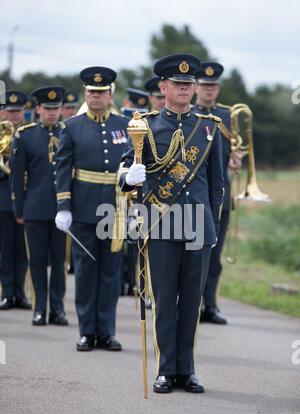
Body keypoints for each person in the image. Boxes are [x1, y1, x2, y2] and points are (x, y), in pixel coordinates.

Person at [119, 54, 224, 394]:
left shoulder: (209, 128)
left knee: (191, 302)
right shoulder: (144, 125)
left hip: (198, 228)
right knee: (165, 301)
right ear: (163, 87)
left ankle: (187, 370)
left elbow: (217, 184)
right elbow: (123, 172)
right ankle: (166, 370)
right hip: (162, 225)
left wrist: (212, 226)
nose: (185, 89)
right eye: (178, 84)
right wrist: (128, 176)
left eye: (189, 84)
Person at [55, 66, 128, 352]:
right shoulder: (72, 126)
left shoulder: (124, 125)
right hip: (83, 209)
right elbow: (62, 169)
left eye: (101, 92)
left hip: (115, 209)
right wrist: (63, 205)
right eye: (91, 92)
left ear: (111, 94)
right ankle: (87, 331)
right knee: (85, 272)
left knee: (111, 274)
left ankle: (107, 331)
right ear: (86, 94)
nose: (96, 96)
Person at [10, 86, 68, 326]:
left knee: (59, 263)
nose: (52, 113)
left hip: (62, 208)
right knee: (36, 261)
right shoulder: (25, 135)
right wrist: (19, 209)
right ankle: (39, 307)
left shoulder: (68, 132)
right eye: (48, 109)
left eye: (56, 109)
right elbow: (16, 175)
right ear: (38, 109)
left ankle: (57, 308)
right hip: (35, 208)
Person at [193, 62, 241, 324]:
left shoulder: (227, 116)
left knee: (215, 255)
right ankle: (190, 303)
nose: (209, 90)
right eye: (204, 86)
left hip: (221, 196)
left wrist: (237, 160)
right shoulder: (189, 115)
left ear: (218, 88)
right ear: (196, 87)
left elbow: (235, 152)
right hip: (195, 194)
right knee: (193, 253)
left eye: (213, 86)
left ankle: (210, 305)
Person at [0, 91, 30, 310]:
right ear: (2, 113)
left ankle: (20, 293)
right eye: (10, 111)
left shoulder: (29, 134)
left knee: (23, 250)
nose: (14, 116)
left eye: (18, 112)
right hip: (2, 197)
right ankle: (7, 292)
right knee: (5, 249)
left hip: (27, 198)